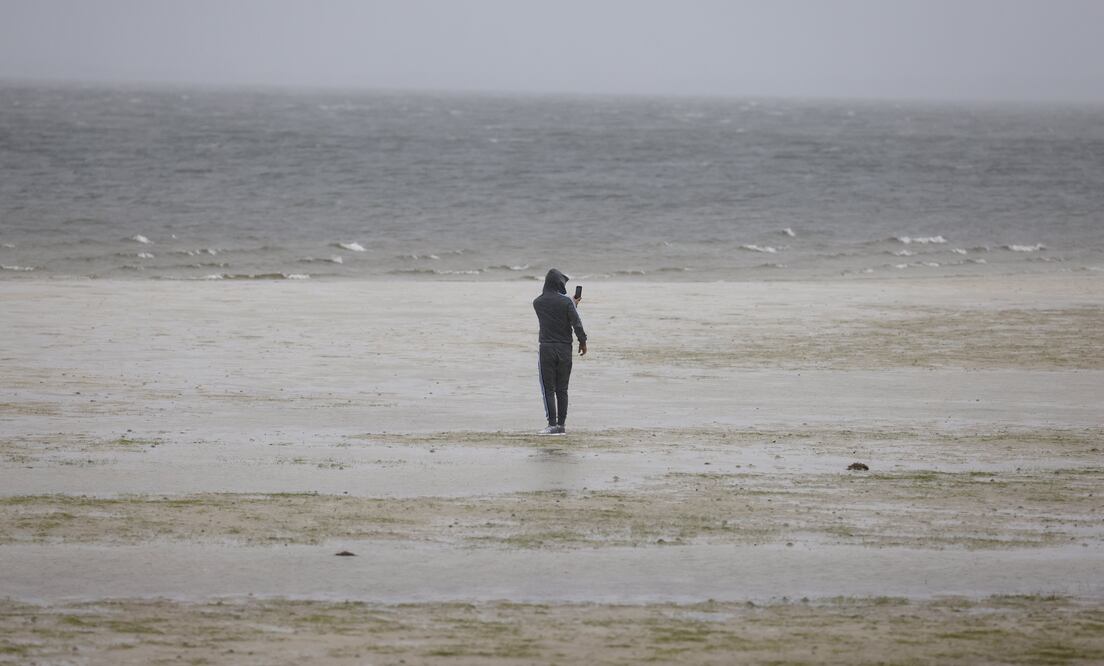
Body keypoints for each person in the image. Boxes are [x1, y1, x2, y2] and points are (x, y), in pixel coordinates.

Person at [532, 268, 587, 434]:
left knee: (548, 388)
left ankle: (552, 424)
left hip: (547, 348)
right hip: (565, 348)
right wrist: (583, 342)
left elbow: (553, 312)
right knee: (562, 389)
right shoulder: (567, 303)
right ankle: (561, 425)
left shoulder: (537, 302)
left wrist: (571, 304)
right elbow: (576, 323)